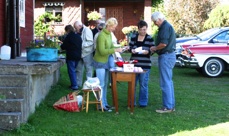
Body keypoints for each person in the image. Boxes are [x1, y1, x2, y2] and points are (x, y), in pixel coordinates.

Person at [93, 17, 123, 112]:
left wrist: (120, 47)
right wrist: (115, 50)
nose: (114, 29)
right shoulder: (101, 35)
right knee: (101, 84)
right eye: (113, 27)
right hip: (100, 62)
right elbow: (102, 51)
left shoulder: (109, 34)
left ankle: (104, 103)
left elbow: (110, 46)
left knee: (105, 84)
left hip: (106, 62)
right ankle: (100, 105)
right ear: (109, 26)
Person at [150, 12, 176, 113]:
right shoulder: (168, 26)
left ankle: (167, 107)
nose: (155, 24)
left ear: (159, 20)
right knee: (169, 81)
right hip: (170, 55)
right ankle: (171, 105)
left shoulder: (165, 27)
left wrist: (154, 48)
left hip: (166, 56)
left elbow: (163, 44)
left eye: (155, 22)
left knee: (165, 82)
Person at [128, 20, 154, 107]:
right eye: (141, 29)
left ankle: (143, 102)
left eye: (144, 29)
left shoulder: (149, 38)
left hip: (145, 65)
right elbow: (130, 47)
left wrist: (148, 52)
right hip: (134, 65)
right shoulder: (134, 37)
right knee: (133, 84)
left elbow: (153, 50)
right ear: (138, 29)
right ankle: (132, 102)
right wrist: (131, 50)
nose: (143, 31)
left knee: (143, 85)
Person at [61, 25, 82, 91]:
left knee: (71, 71)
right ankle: (75, 83)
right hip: (78, 55)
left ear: (67, 30)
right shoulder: (78, 36)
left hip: (71, 55)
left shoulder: (68, 37)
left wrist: (62, 46)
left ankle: (74, 85)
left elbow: (64, 46)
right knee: (74, 70)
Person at [74, 20, 94, 88]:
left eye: (76, 28)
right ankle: (78, 84)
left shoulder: (87, 30)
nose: (76, 30)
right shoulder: (79, 30)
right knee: (78, 69)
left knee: (88, 69)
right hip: (80, 53)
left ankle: (88, 85)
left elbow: (90, 42)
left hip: (87, 53)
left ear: (80, 26)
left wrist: (80, 45)